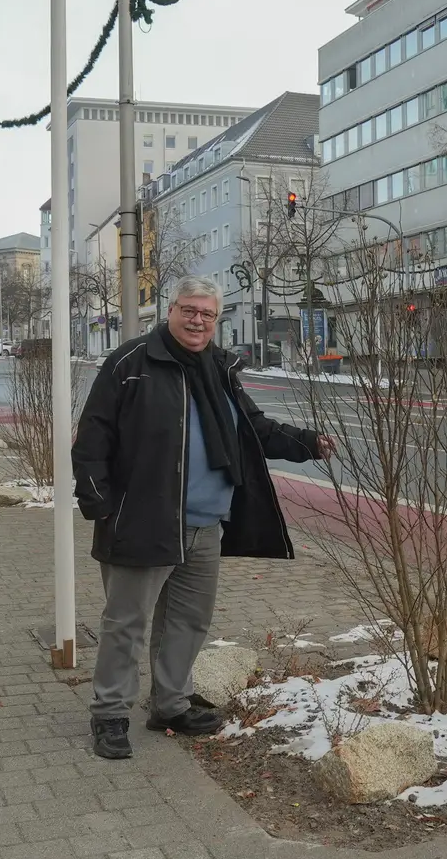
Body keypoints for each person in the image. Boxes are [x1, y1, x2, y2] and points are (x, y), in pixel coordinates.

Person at [73, 276, 336, 761]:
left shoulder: (219, 368)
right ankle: (109, 714)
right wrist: (99, 503)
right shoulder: (132, 363)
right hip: (143, 520)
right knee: (126, 624)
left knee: (188, 622)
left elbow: (252, 429)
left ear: (216, 321)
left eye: (207, 314)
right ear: (170, 311)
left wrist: (307, 442)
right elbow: (94, 437)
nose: (198, 320)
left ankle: (170, 705)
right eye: (189, 310)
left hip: (205, 524)